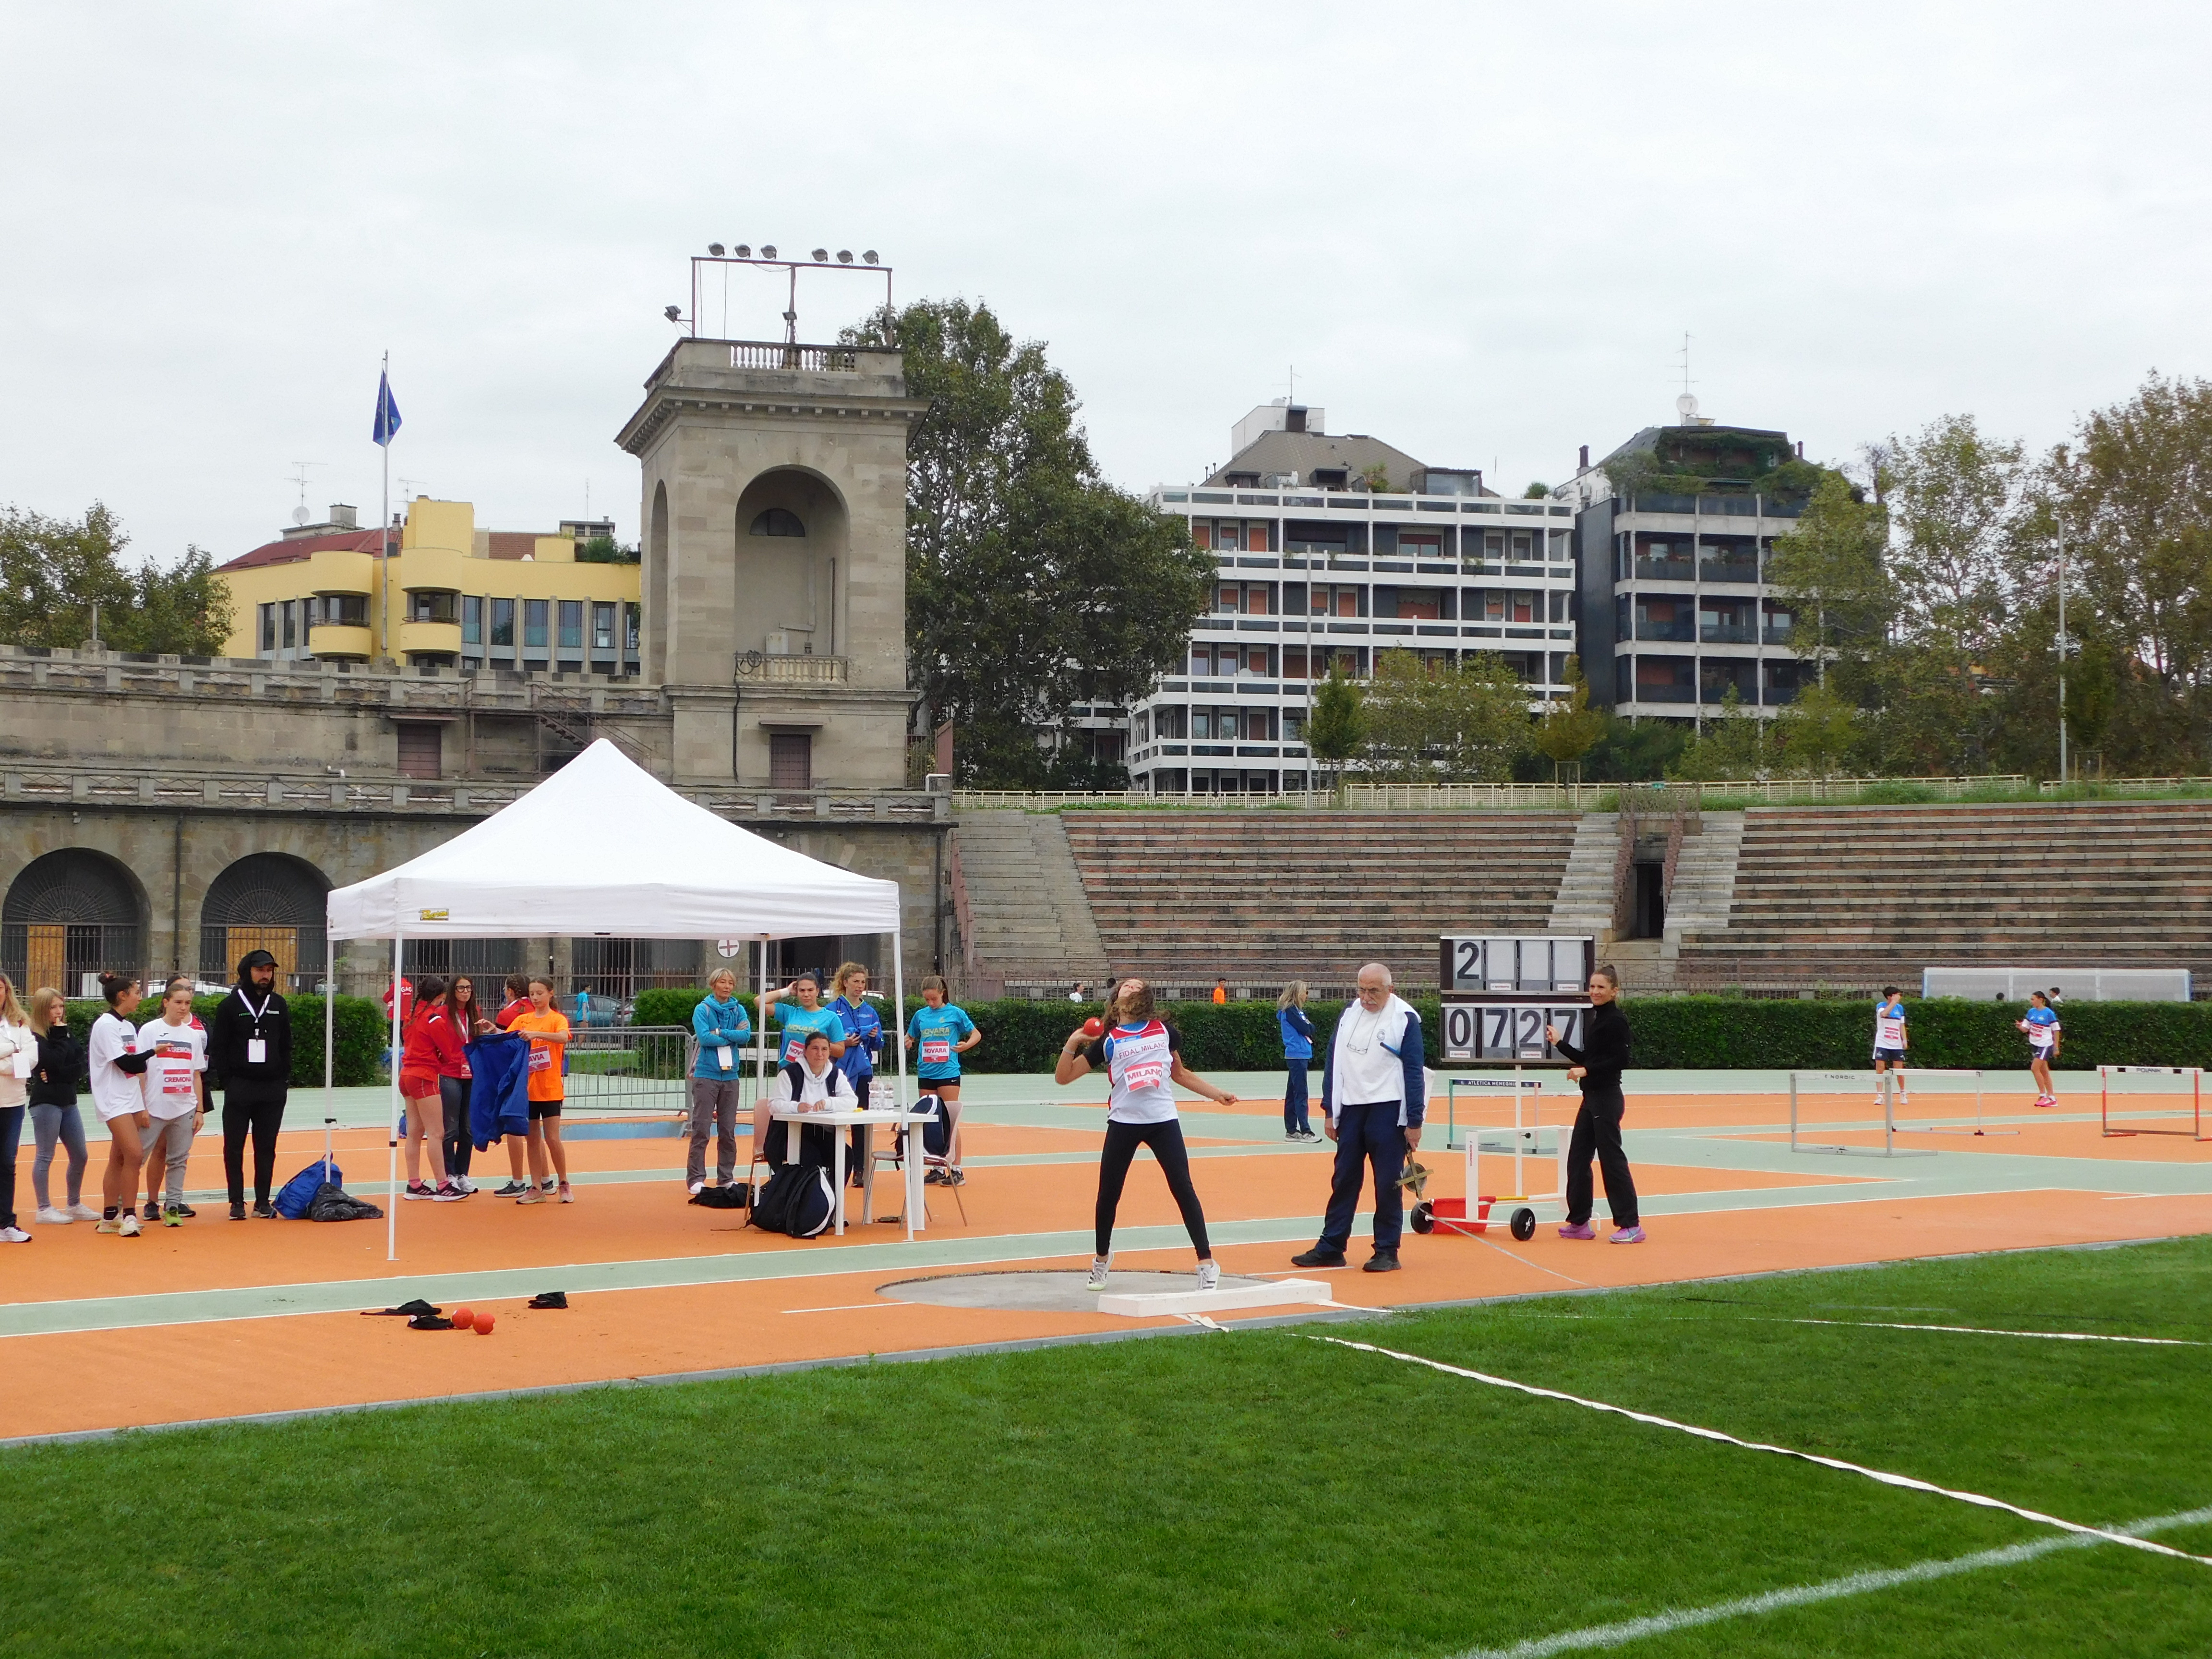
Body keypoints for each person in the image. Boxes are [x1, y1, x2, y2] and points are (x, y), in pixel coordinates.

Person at [1055, 977, 1236, 1291]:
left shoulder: (1164, 1032)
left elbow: (1180, 1074)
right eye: (1126, 985)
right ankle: (1101, 1260)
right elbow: (1064, 1077)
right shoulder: (1109, 1040)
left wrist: (1216, 1094)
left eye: (1137, 986)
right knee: (1108, 1195)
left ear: (1146, 997)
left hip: (1162, 1120)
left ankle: (1207, 1263)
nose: (1131, 987)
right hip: (1123, 1122)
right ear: (1116, 998)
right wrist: (1073, 1041)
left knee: (1183, 1187)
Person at [1293, 962, 1428, 1274]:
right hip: (1351, 1110)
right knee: (1344, 1179)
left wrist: (1415, 1121)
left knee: (1388, 1183)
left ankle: (1387, 1251)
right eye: (1362, 990)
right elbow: (1334, 1060)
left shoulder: (1405, 1018)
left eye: (1374, 991)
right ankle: (1331, 1246)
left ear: (1390, 990)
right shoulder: (1349, 1014)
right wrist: (1330, 1110)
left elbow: (1414, 1071)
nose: (1366, 997)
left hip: (1388, 1110)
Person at [1548, 964, 1642, 1244]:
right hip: (1591, 1100)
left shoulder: (1616, 1021)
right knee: (1577, 1159)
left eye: (1601, 987)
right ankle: (1579, 1222)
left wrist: (1587, 1070)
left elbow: (1621, 1060)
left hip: (1607, 1099)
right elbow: (1590, 1058)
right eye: (1592, 987)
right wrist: (1560, 1044)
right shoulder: (1598, 1019)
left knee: (1612, 1161)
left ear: (1614, 991)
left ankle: (1631, 1225)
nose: (1595, 992)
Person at [206, 948, 293, 1220]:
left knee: (266, 1147)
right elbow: (219, 1047)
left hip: (272, 1089)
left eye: (269, 971)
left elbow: (286, 1044)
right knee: (234, 1147)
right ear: (247, 972)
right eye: (259, 970)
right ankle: (236, 1201)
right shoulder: (230, 1006)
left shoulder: (279, 1004)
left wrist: (283, 1079)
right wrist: (228, 1081)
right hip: (240, 1087)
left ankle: (262, 1201)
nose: (265, 975)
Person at [138, 981, 212, 1224]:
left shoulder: (193, 1035)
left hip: (184, 1107)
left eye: (188, 1003)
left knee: (179, 1160)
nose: (183, 1008)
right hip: (155, 1106)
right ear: (166, 1003)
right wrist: (142, 1106)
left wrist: (199, 1110)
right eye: (178, 1003)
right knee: (137, 1158)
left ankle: (172, 1208)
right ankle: (123, 1208)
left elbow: (196, 1074)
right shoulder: (149, 1030)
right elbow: (140, 1070)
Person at [88, 973, 153, 1236]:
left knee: (119, 1157)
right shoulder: (105, 1026)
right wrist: (154, 1051)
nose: (140, 998)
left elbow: (138, 1065)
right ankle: (129, 1216)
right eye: (136, 992)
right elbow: (126, 1062)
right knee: (135, 1155)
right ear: (122, 996)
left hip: (131, 1097)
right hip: (113, 1099)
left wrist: (143, 1099)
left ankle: (109, 1218)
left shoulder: (127, 1026)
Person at [27, 987, 93, 1226]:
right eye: (53, 1007)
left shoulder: (65, 1032)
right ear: (42, 1009)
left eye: (61, 1006)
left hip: (69, 1100)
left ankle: (74, 1204)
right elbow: (51, 1060)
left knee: (80, 1155)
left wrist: (57, 1074)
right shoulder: (36, 1036)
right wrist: (59, 1037)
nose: (58, 1011)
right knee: (45, 1155)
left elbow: (80, 1064)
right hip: (46, 1102)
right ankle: (44, 1208)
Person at [905, 975, 979, 1185]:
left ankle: (956, 1170)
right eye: (927, 1000)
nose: (930, 1003)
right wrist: (908, 1042)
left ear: (942, 993)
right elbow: (911, 1036)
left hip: (948, 1072)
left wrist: (966, 1045)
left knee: (949, 1121)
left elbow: (976, 1034)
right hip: (926, 1072)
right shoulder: (920, 1016)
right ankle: (937, 1167)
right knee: (930, 1121)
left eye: (934, 999)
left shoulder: (955, 1013)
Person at [398, 975, 464, 1201]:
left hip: (407, 1075)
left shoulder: (411, 1017)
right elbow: (447, 1052)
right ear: (442, 996)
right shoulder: (434, 1019)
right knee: (436, 1133)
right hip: (423, 1076)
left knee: (414, 1132)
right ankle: (443, 1185)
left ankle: (414, 1184)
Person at [688, 967, 753, 1194]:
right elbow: (705, 1038)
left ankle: (726, 1177)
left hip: (731, 1076)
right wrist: (730, 1034)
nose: (727, 987)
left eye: (730, 983)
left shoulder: (739, 1009)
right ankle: (696, 1178)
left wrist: (721, 1032)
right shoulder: (702, 1009)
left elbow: (745, 1035)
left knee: (728, 1130)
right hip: (707, 1075)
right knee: (701, 1128)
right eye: (722, 982)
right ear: (713, 984)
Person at [509, 975, 573, 1203]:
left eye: (539, 993)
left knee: (552, 1139)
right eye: (532, 994)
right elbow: (507, 1038)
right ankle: (536, 1186)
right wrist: (491, 1030)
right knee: (532, 1140)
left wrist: (537, 1034)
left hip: (550, 1089)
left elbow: (563, 1037)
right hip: (528, 1090)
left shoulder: (557, 1019)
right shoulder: (523, 1019)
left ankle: (564, 1183)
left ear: (550, 993)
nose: (535, 998)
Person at [830, 962, 885, 1187]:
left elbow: (879, 1044)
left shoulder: (870, 1011)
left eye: (863, 982)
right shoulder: (832, 1010)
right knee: (834, 1120)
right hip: (839, 1072)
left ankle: (860, 1170)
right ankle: (833, 1165)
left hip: (863, 1072)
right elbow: (825, 1039)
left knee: (860, 1122)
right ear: (845, 983)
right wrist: (844, 1042)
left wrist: (873, 1036)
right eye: (855, 982)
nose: (860, 986)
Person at [438, 976, 490, 1192]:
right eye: (461, 988)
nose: (465, 992)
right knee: (451, 1128)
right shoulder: (443, 1013)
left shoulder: (475, 1012)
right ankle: (449, 1174)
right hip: (450, 1073)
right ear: (453, 991)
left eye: (468, 988)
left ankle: (462, 1174)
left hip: (471, 1074)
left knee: (468, 1129)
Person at [486, 971, 536, 1193]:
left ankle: (517, 1181)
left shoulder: (508, 1014)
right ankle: (544, 1179)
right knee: (535, 1130)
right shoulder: (540, 1011)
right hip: (539, 1075)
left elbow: (502, 1045)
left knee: (513, 1124)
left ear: (510, 992)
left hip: (515, 1075)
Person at [0, 974, 31, 1243]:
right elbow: (18, 1054)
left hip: (13, 1103)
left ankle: (6, 1224)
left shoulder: (19, 1023)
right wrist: (11, 1051)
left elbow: (30, 1058)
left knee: (7, 1162)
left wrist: (6, 1063)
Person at [1277, 980, 1317, 1142]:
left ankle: (1292, 1130)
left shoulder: (1298, 1011)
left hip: (1301, 1054)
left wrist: (1309, 1028)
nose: (1307, 995)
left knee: (1293, 1093)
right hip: (1297, 1054)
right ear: (1297, 993)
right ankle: (1306, 1130)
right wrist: (1309, 1028)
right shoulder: (1291, 1011)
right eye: (1305, 992)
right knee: (1301, 1093)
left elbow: (1311, 1028)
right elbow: (1307, 1029)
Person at [2019, 990, 2062, 1108]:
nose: (2031, 1001)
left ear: (2041, 1000)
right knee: (2044, 1071)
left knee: (2035, 1068)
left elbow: (2056, 1030)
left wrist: (2056, 1047)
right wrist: (2020, 1027)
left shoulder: (2049, 1013)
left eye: (2033, 999)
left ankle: (2043, 1095)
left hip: (2045, 1045)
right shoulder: (2031, 1012)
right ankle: (2052, 1098)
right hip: (2035, 1044)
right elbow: (2025, 1028)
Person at [1872, 985, 1910, 1108]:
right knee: (1880, 1069)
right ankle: (1879, 1096)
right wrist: (1893, 1003)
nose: (1900, 997)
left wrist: (1904, 1039)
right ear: (1891, 996)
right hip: (1882, 1043)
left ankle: (1903, 1093)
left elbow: (1901, 1025)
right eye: (1897, 995)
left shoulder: (1900, 1008)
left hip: (1896, 1044)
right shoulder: (1881, 1006)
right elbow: (1884, 1014)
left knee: (1899, 1070)